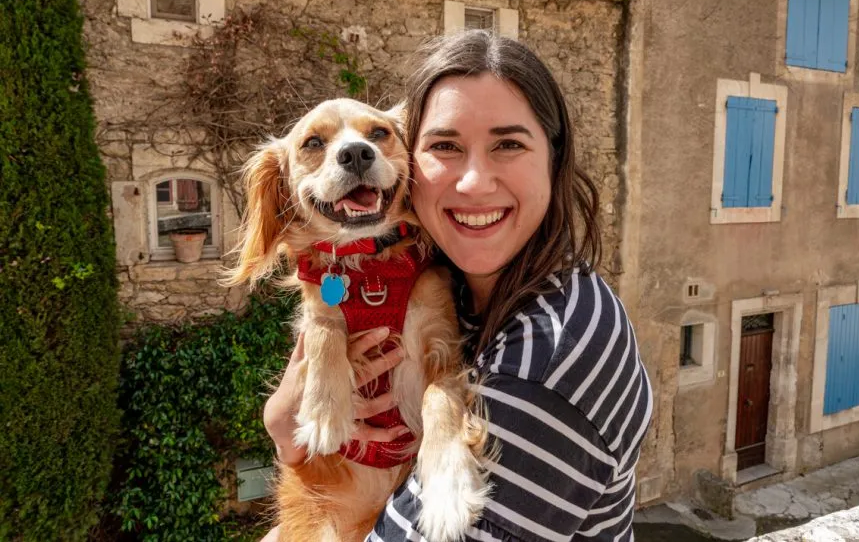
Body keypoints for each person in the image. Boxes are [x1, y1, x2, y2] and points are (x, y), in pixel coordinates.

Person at [264, 31, 652, 541]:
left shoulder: (551, 357)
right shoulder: (452, 281)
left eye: (508, 144)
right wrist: (285, 432)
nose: (472, 183)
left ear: (555, 161)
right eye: (445, 146)